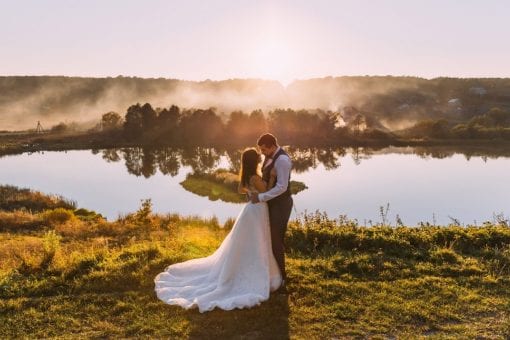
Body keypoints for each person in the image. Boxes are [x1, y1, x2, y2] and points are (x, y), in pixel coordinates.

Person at [154, 148, 282, 312]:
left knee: (252, 241)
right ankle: (256, 272)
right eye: (258, 157)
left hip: (251, 209)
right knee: (257, 240)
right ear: (254, 161)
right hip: (256, 211)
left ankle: (253, 267)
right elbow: (268, 192)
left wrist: (250, 193)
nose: (260, 158)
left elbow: (241, 190)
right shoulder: (255, 177)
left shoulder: (247, 176)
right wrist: (271, 178)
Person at [250, 133, 293, 288]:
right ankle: (272, 272)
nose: (261, 152)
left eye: (263, 149)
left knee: (276, 240)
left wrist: (261, 197)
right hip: (272, 204)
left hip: (281, 204)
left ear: (272, 146)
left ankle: (282, 277)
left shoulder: (282, 160)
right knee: (271, 238)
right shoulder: (269, 157)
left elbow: (282, 187)